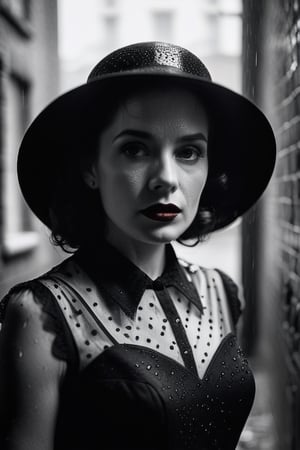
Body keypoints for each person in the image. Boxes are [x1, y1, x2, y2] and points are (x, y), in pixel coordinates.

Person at [0, 42, 276, 450]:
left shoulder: (220, 291)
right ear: (91, 167)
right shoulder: (42, 314)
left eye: (188, 152)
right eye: (135, 149)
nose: (166, 178)